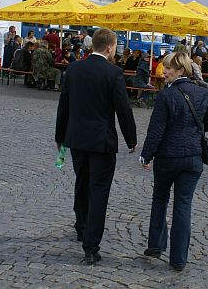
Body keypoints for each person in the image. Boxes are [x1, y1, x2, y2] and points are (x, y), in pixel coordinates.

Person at [55, 28, 137, 265]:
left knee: (82, 182)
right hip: (101, 141)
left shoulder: (74, 69)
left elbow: (64, 106)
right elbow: (123, 109)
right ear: (110, 47)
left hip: (77, 139)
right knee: (99, 190)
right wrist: (131, 139)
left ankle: (81, 226)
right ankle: (90, 245)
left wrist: (60, 137)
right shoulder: (113, 72)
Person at [139, 52, 208, 272]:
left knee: (160, 199)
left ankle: (155, 246)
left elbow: (156, 130)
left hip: (167, 158)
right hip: (192, 158)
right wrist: (193, 130)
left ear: (181, 70)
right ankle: (179, 259)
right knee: (183, 206)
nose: (164, 71)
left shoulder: (166, 96)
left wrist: (146, 155)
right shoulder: (202, 91)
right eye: (165, 68)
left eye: (169, 68)